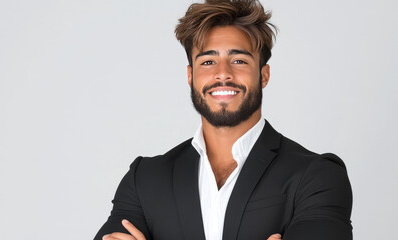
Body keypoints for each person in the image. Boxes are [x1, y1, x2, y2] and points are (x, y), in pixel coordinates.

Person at [94, 0, 353, 239]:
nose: (223, 74)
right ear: (190, 75)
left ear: (264, 75)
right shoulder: (145, 180)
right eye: (207, 62)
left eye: (239, 60)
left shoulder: (317, 176)